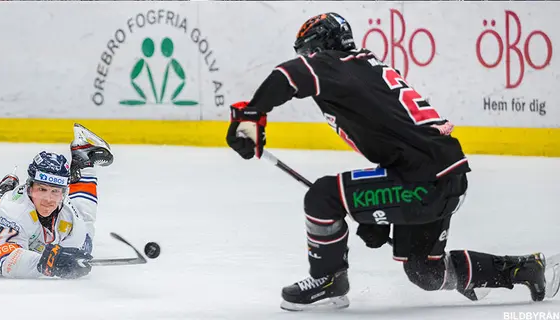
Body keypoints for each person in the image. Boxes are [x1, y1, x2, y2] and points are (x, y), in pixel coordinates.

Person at [225, 12, 547, 311]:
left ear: (320, 47)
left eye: (308, 52)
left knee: (323, 197)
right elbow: (399, 139)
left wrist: (251, 114)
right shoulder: (362, 67)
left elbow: (288, 75)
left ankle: (329, 281)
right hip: (443, 175)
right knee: (424, 270)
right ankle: (521, 269)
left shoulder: (333, 64)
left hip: (424, 181)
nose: (306, 59)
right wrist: (380, 213)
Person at [0, 123, 113, 279]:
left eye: (55, 191)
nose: (48, 199)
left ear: (63, 193)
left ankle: (84, 162)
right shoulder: (11, 211)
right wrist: (50, 263)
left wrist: (67, 257)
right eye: (42, 189)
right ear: (30, 187)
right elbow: (7, 261)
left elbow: (80, 248)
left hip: (35, 234)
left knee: (85, 233)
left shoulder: (67, 212)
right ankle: (4, 189)